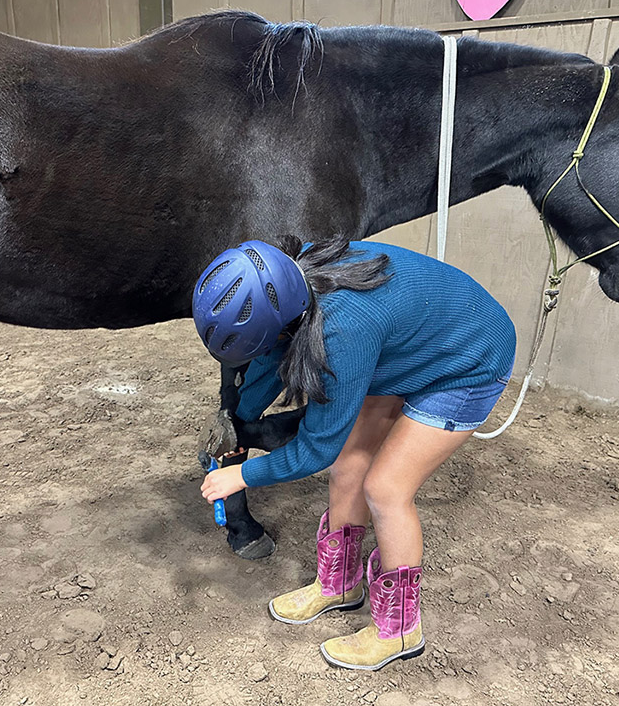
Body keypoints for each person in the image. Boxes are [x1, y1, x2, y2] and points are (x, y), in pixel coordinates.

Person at [194, 236, 515, 671]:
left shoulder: (341, 331)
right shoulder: (286, 282)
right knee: (350, 466)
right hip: (411, 343)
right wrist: (236, 421)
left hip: (469, 361)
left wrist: (242, 476)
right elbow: (274, 354)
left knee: (386, 489)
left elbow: (315, 449)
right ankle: (339, 585)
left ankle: (400, 630)